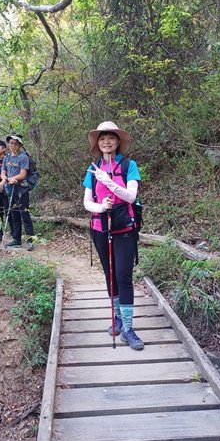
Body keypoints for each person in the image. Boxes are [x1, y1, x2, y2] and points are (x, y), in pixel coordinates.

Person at [82, 121, 144, 350]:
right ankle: (116, 317)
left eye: (110, 137)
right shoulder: (93, 168)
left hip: (125, 228)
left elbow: (130, 196)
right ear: (98, 144)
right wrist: (101, 207)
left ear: (118, 141)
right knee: (110, 275)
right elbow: (87, 202)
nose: (106, 141)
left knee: (123, 275)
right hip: (101, 227)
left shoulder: (129, 165)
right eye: (102, 138)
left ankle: (128, 328)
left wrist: (108, 182)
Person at [0, 134, 34, 250]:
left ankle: (30, 241)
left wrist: (15, 178)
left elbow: (23, 174)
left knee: (25, 214)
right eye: (11, 143)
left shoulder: (23, 157)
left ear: (20, 145)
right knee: (14, 214)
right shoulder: (7, 157)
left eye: (15, 143)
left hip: (21, 190)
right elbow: (3, 172)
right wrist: (4, 179)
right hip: (10, 189)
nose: (12, 145)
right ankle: (16, 239)